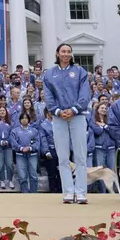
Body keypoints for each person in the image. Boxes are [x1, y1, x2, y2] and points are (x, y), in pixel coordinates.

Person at [43, 43, 91, 204]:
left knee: (80, 155)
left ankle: (81, 191)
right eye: (63, 51)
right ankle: (69, 192)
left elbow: (85, 94)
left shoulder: (80, 71)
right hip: (58, 117)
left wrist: (74, 109)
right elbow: (48, 96)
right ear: (57, 53)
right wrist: (57, 111)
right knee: (62, 156)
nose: (66, 54)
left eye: (69, 51)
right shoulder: (50, 74)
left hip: (77, 116)